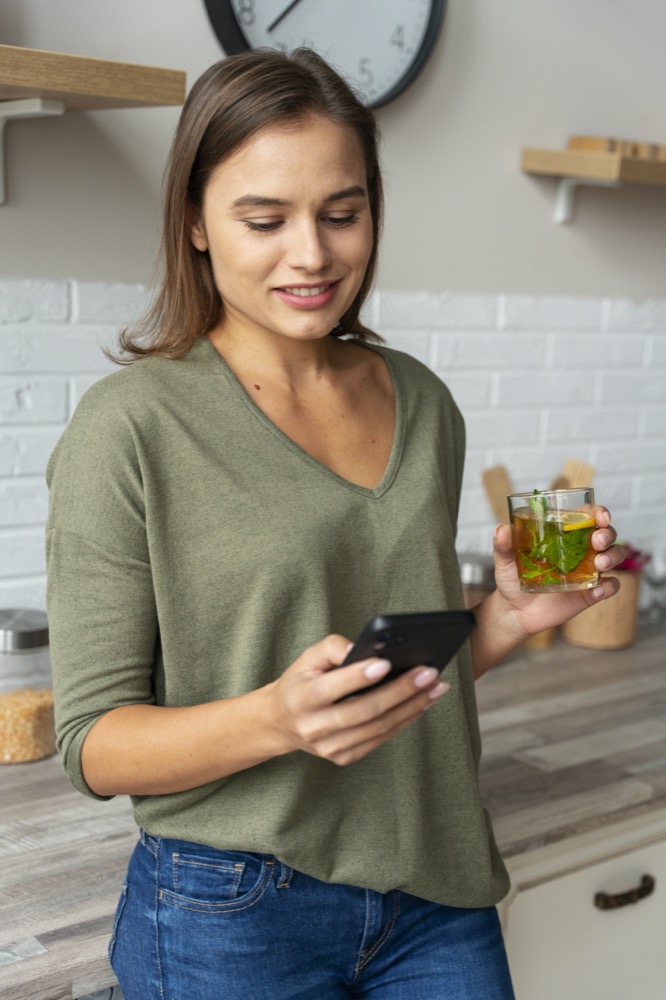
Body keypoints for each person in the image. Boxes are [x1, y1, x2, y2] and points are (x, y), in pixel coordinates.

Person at [46, 48, 623, 1000]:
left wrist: (510, 618)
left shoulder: (423, 403)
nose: (311, 254)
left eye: (342, 213)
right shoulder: (131, 426)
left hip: (437, 893)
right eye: (264, 219)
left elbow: (390, 682)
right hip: (229, 909)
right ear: (194, 221)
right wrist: (277, 719)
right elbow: (94, 746)